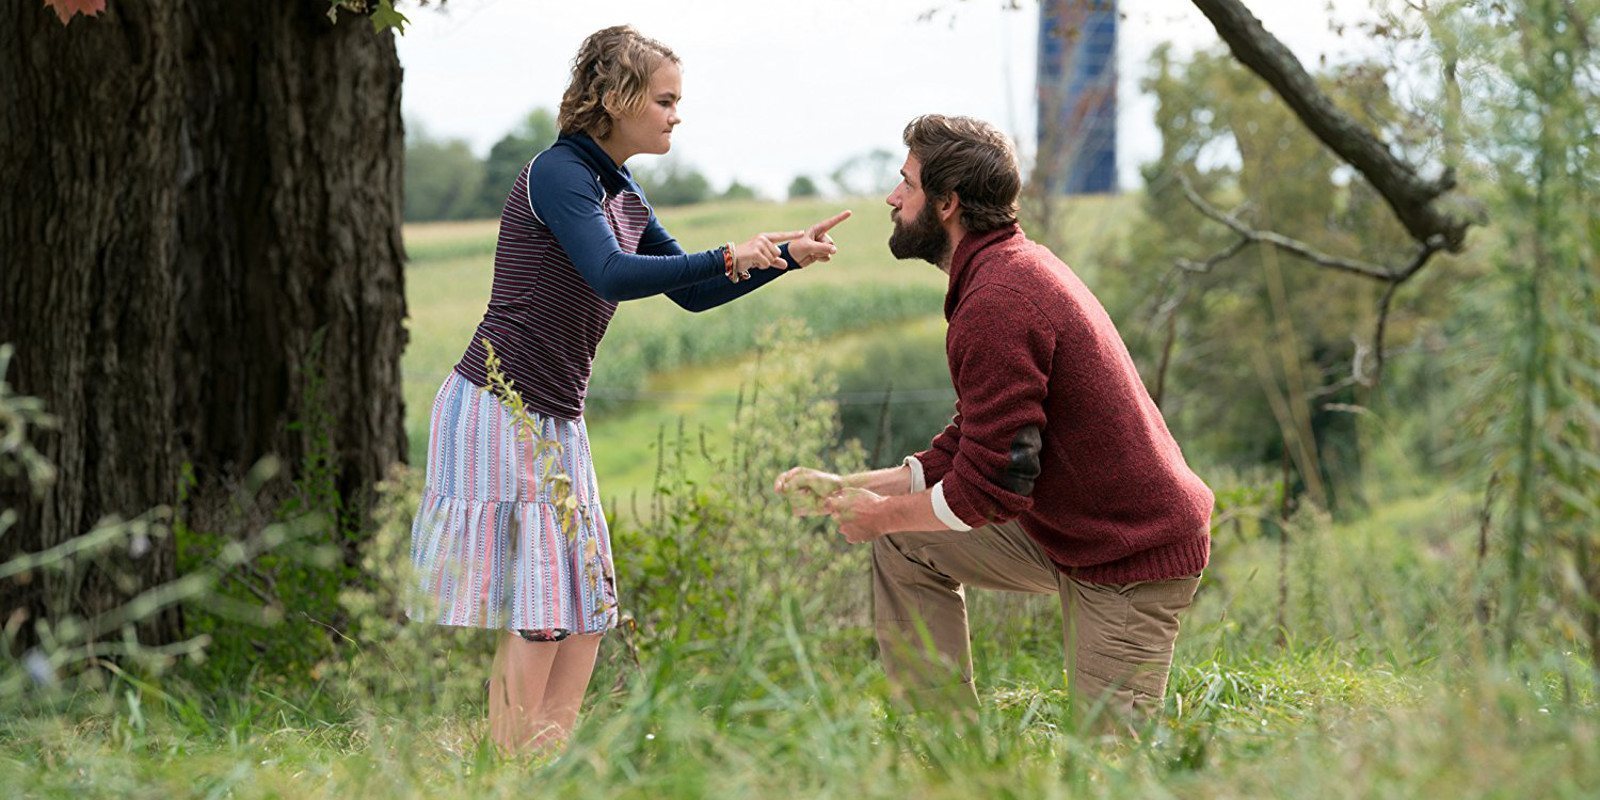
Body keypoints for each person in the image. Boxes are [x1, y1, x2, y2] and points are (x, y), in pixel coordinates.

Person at [409, 25, 851, 753]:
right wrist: (726, 252)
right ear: (617, 99)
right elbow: (610, 273)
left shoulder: (620, 186)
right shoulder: (560, 173)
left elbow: (694, 295)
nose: (677, 114)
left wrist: (782, 259)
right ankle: (506, 768)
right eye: (666, 99)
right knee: (544, 606)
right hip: (500, 406)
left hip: (554, 415)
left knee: (586, 605)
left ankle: (544, 764)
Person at [775, 114, 1212, 731]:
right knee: (904, 541)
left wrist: (879, 515)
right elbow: (971, 446)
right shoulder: (1000, 273)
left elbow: (991, 487)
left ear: (947, 203)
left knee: (1109, 765)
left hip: (1130, 552)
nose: (892, 198)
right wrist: (855, 489)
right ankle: (947, 753)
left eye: (907, 184)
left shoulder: (1000, 298)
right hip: (1069, 532)